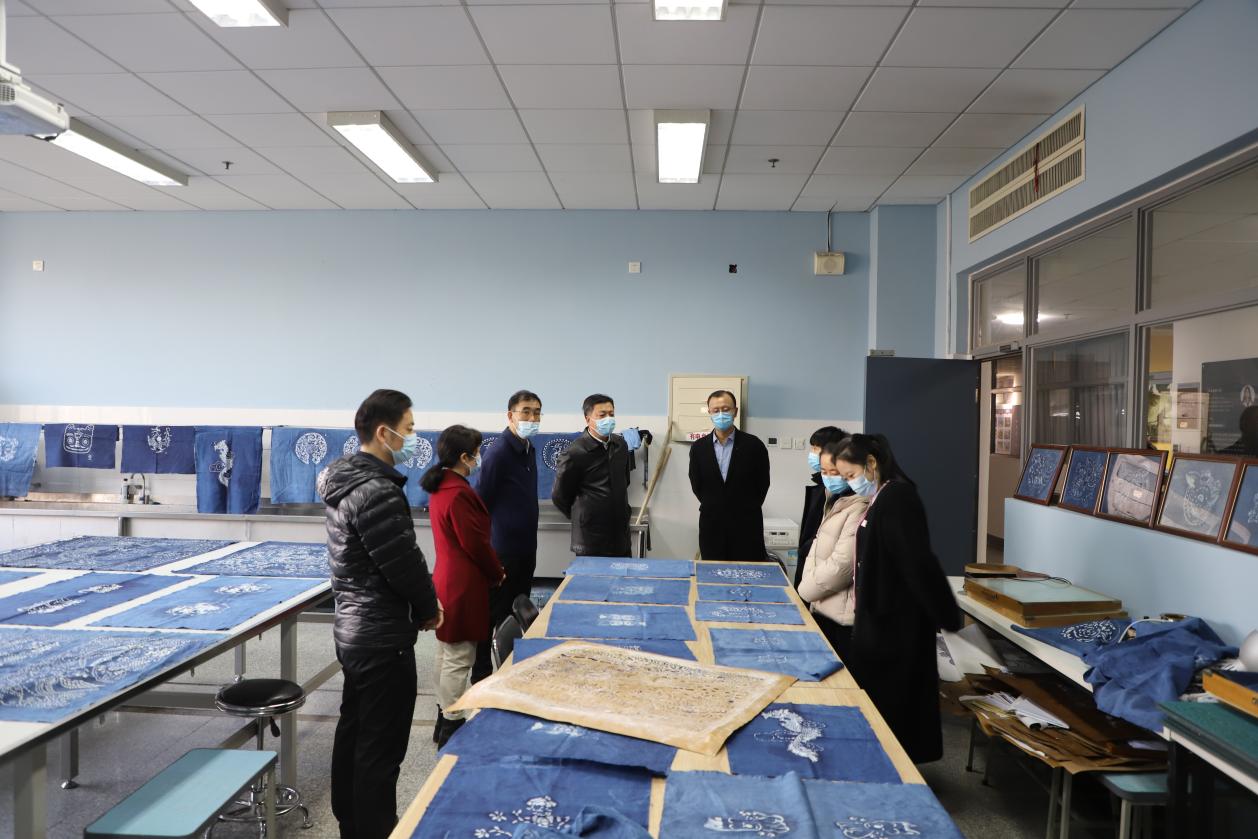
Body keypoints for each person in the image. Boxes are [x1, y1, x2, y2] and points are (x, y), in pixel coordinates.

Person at [318, 388, 442, 839]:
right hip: (381, 635)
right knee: (380, 746)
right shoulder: (377, 491)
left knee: (355, 731)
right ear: (384, 433)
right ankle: (373, 829)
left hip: (354, 628)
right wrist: (428, 607)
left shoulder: (346, 482)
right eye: (409, 429)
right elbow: (403, 563)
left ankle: (351, 823)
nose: (414, 437)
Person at [832, 433, 962, 764]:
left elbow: (917, 562)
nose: (850, 483)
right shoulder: (880, 497)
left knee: (897, 703)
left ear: (871, 463)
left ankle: (897, 767)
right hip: (879, 619)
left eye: (851, 475)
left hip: (897, 623)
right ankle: (885, 761)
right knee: (880, 703)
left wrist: (946, 615)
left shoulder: (898, 497)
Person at [420, 424, 506, 748]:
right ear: (464, 457)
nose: (479, 457)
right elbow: (475, 544)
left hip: (446, 578)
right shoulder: (458, 493)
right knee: (459, 658)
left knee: (446, 653)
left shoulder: (441, 486)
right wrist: (496, 571)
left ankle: (443, 718)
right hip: (463, 583)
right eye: (477, 452)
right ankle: (452, 725)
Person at [471, 389, 542, 683]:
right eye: (526, 411)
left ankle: (511, 669)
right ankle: (482, 674)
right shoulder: (499, 452)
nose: (532, 418)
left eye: (536, 412)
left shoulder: (529, 449)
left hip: (526, 548)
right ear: (510, 415)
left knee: (518, 612)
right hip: (502, 551)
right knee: (493, 614)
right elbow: (480, 502)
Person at [797, 439, 868, 662]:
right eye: (824, 471)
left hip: (841, 615)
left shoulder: (860, 506)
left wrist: (805, 590)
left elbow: (842, 564)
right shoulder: (834, 499)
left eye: (834, 472)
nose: (828, 477)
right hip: (822, 606)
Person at [688, 390, 772, 561]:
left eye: (726, 409)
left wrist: (743, 507)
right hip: (711, 524)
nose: (721, 414)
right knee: (713, 572)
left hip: (747, 525)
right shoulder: (699, 448)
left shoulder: (754, 445)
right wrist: (716, 503)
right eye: (716, 410)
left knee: (748, 572)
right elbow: (696, 484)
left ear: (735, 411)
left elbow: (762, 484)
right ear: (709, 412)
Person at [552, 393, 632, 557]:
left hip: (621, 536)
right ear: (588, 419)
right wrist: (584, 516)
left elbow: (624, 481)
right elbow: (560, 496)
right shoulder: (575, 452)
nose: (608, 419)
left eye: (611, 414)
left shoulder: (620, 445)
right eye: (602, 415)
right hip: (590, 540)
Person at [794, 425, 847, 588]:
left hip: (823, 579)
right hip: (811, 569)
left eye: (815, 448)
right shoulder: (821, 487)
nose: (812, 453)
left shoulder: (842, 492)